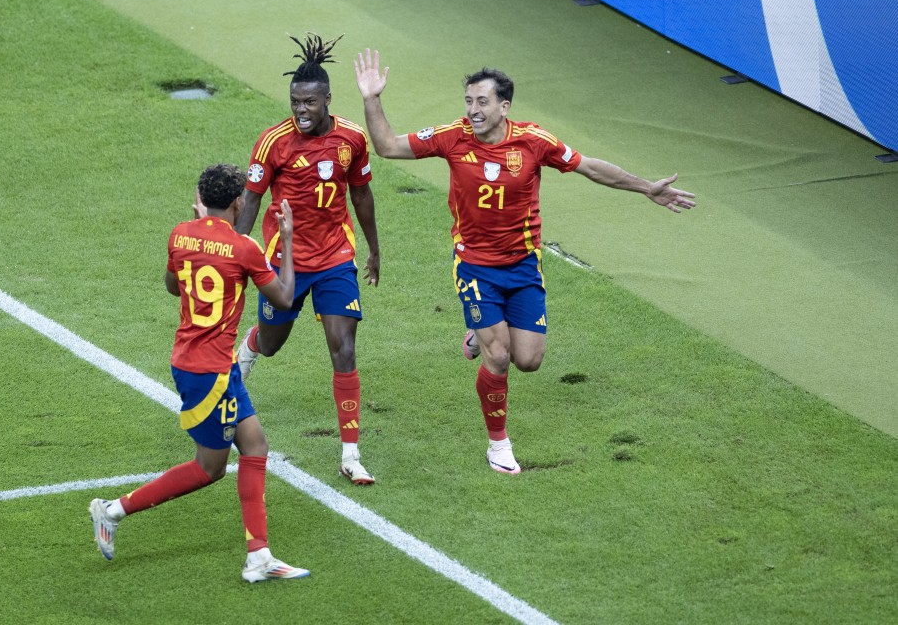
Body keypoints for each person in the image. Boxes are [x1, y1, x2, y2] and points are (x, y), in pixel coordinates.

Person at [354, 49, 696, 475]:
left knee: (529, 360)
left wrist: (646, 187)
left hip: (522, 266)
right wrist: (372, 98)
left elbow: (589, 167)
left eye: (482, 102)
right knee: (498, 358)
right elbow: (387, 147)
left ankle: (480, 330)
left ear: (504, 106)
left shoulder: (533, 142)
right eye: (468, 102)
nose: (473, 110)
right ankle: (498, 444)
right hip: (475, 266)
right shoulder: (451, 137)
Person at [89, 163, 309, 583]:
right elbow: (282, 299)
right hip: (211, 373)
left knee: (256, 446)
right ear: (238, 202)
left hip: (202, 362)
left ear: (201, 198)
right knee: (209, 468)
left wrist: (196, 231)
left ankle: (259, 555)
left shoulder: (180, 233)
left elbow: (173, 286)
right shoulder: (244, 247)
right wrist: (287, 239)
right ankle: (113, 511)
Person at [235, 33, 380, 485]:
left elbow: (362, 195)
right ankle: (250, 346)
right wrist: (233, 254)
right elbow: (252, 201)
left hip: (337, 256)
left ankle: (350, 454)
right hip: (286, 261)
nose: (300, 110)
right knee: (274, 343)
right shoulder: (273, 143)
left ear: (327, 100)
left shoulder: (352, 138)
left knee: (344, 347)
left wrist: (374, 248)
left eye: (309, 103)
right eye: (295, 101)